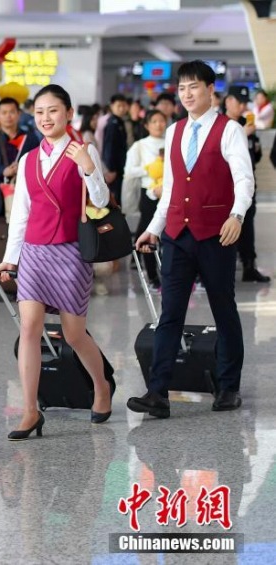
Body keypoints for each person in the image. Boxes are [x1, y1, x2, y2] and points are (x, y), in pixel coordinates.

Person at [129, 60, 254, 418]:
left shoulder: (229, 130)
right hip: (178, 236)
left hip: (216, 234)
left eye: (193, 87)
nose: (186, 94)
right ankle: (158, 391)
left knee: (223, 308)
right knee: (170, 314)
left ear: (210, 89)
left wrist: (237, 214)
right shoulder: (174, 131)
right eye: (182, 88)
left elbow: (244, 179)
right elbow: (170, 187)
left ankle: (229, 387)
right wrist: (153, 226)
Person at [0, 84, 113, 438]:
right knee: (29, 328)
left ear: (69, 114)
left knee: (73, 334)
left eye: (53, 111)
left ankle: (101, 386)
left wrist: (89, 168)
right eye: (40, 112)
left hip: (71, 253)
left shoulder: (83, 150)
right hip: (34, 253)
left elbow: (102, 202)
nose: (45, 118)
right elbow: (21, 216)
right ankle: (30, 411)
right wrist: (10, 259)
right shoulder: (28, 159)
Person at [0, 97, 41, 301]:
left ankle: (23, 284)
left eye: (12, 112)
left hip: (25, 199)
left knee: (23, 240)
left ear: (18, 114)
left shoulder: (31, 139)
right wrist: (2, 170)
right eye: (3, 113)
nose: (8, 116)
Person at [224, 93, 269, 283]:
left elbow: (254, 155)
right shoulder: (222, 125)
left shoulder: (247, 123)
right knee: (227, 226)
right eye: (238, 102)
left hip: (247, 184)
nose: (242, 106)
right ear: (228, 101)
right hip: (226, 186)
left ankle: (249, 267)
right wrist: (244, 133)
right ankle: (223, 269)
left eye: (244, 103)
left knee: (247, 225)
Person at [125, 110, 168, 289]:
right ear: (147, 125)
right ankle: (152, 276)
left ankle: (168, 274)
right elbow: (129, 171)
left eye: (162, 121)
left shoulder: (171, 142)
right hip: (149, 194)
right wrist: (149, 169)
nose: (159, 125)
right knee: (149, 233)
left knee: (168, 235)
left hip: (169, 192)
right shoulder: (139, 146)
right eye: (154, 121)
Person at [101, 94, 129, 204]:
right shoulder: (112, 124)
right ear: (112, 106)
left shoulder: (119, 121)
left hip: (119, 167)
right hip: (114, 169)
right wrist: (111, 169)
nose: (121, 109)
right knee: (114, 199)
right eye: (118, 106)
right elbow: (109, 147)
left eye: (123, 106)